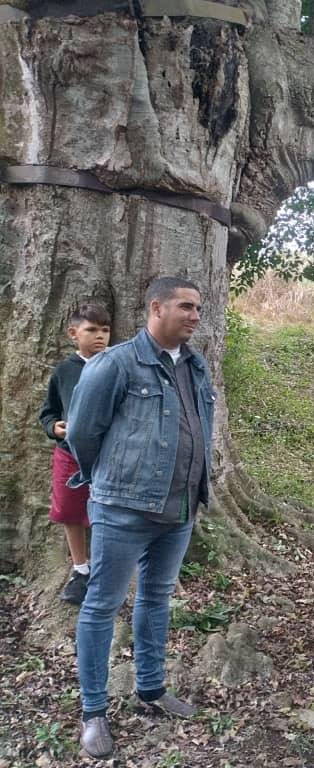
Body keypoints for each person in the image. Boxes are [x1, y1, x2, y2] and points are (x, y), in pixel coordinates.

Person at [66, 277, 213, 759]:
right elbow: (83, 434)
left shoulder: (196, 365)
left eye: (198, 308)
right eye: (185, 306)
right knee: (101, 607)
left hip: (180, 509)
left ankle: (150, 689)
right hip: (122, 511)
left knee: (156, 599)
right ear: (156, 307)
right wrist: (111, 483)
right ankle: (93, 713)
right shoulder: (116, 363)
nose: (195, 315)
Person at [38, 303, 111, 605]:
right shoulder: (65, 371)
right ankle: (81, 570)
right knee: (71, 512)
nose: (100, 337)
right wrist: (54, 427)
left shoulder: (114, 365)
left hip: (108, 456)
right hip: (69, 455)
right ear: (73, 333)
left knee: (107, 512)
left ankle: (107, 572)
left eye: (105, 331)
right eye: (91, 330)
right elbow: (48, 411)